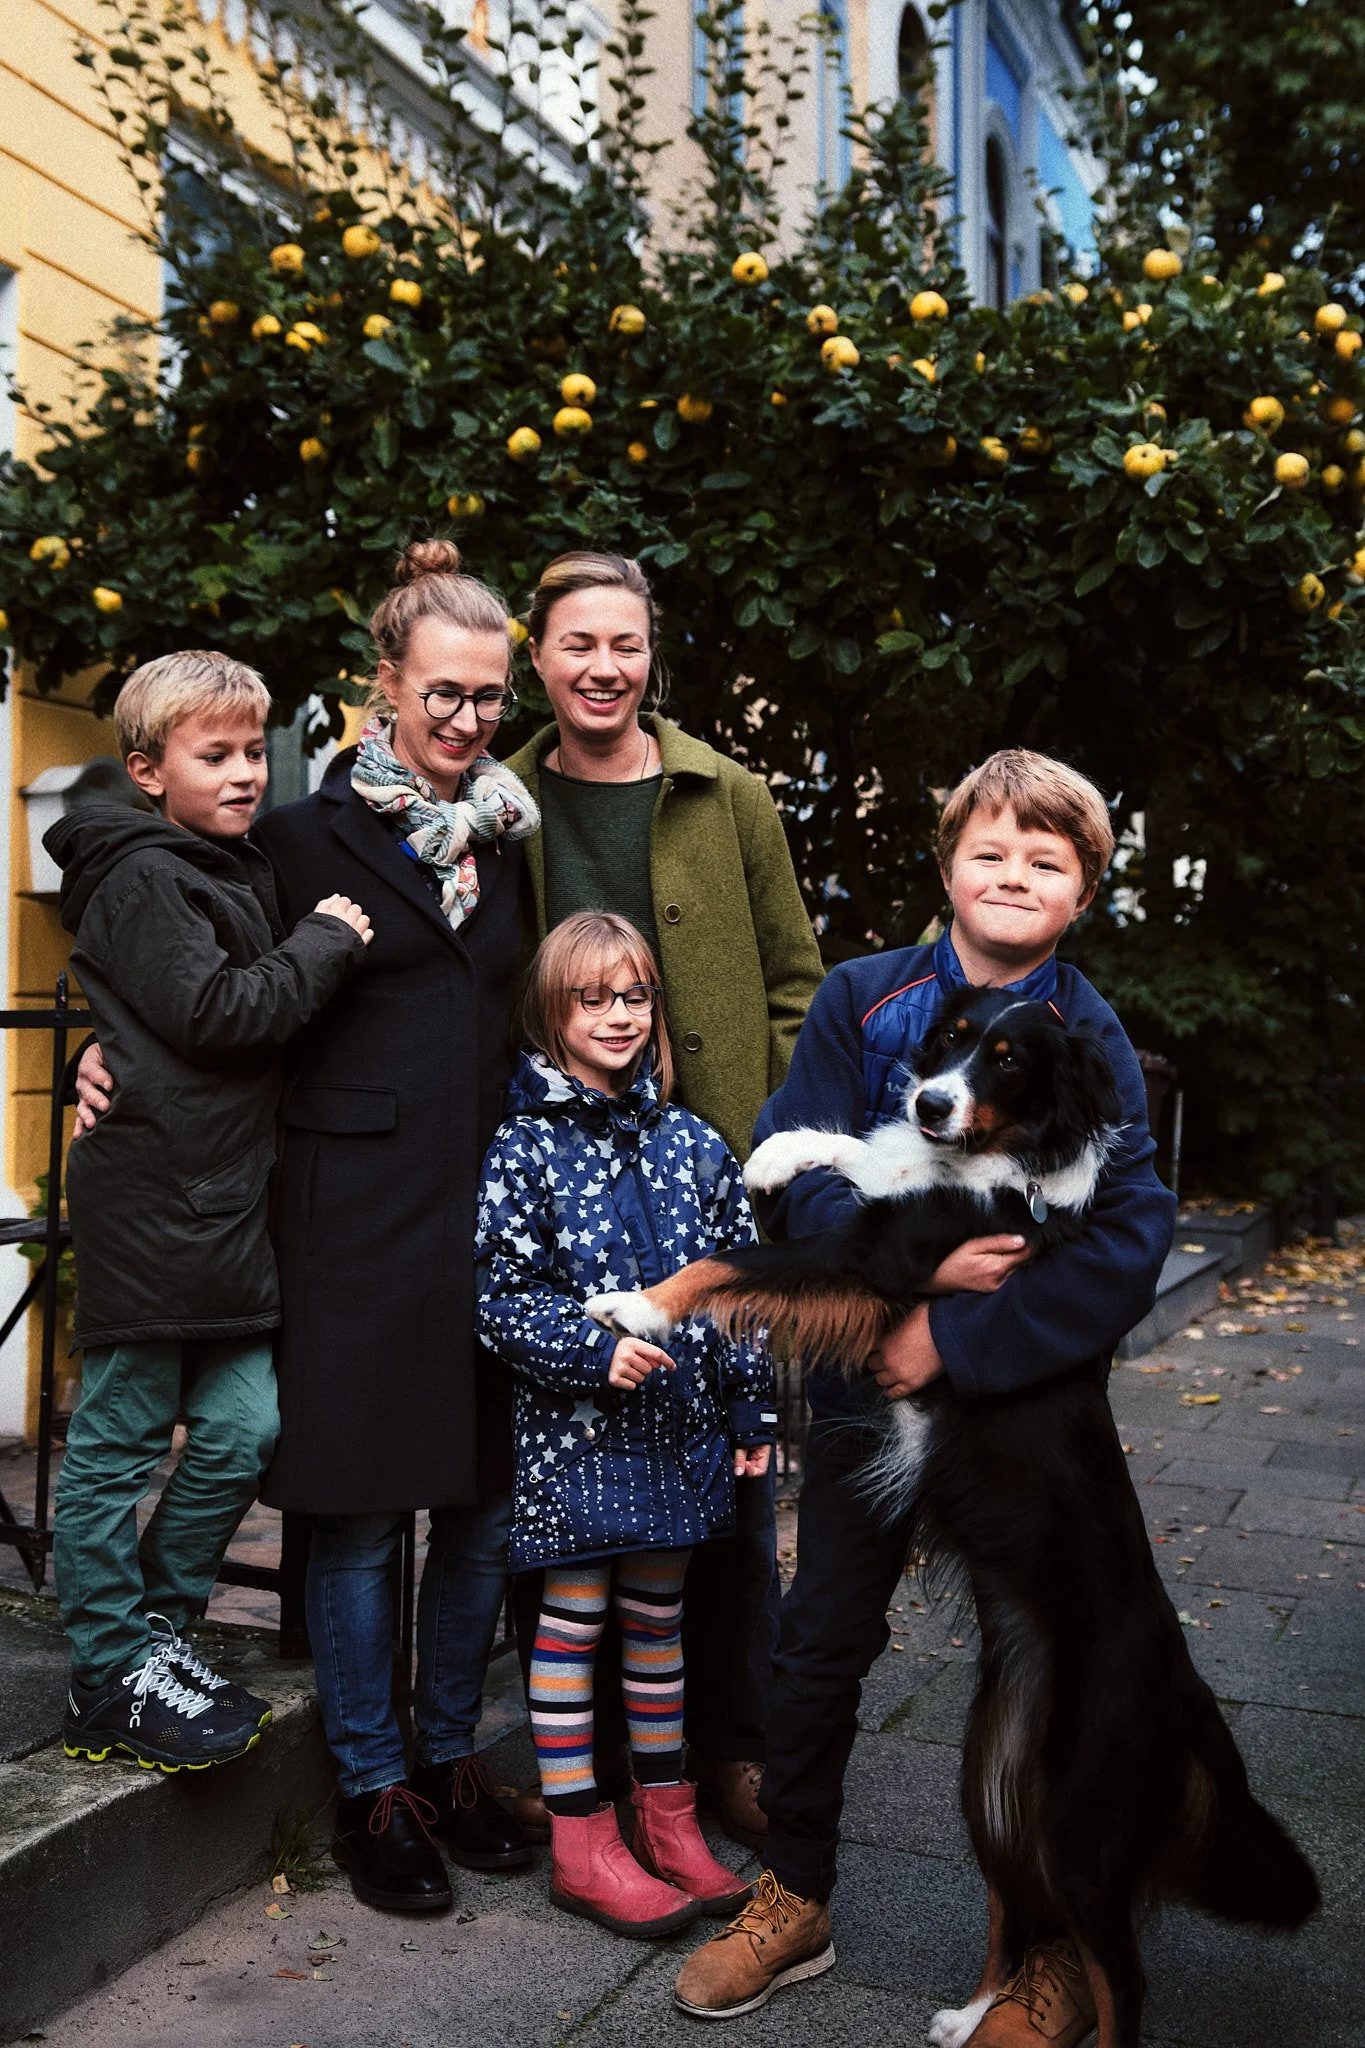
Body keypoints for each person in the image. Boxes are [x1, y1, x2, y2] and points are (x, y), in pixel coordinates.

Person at [673, 749, 1177, 2029]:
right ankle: (796, 1889)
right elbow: (800, 1164)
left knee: (1037, 1664)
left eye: (1045, 861)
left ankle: (1048, 1945)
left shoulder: (1092, 1039)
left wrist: (958, 1340)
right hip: (862, 1395)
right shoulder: (863, 996)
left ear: (1083, 893)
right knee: (819, 1637)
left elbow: (1128, 1234)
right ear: (946, 865)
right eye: (989, 851)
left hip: (1017, 1413)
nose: (1013, 875)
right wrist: (909, 1281)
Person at [72, 542, 538, 1908]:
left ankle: (448, 1758)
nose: (466, 719)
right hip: (347, 1218)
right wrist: (102, 1053)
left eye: (488, 696)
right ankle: (372, 1786)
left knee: (481, 1507)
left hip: (488, 1209)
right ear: (384, 683)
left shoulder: (511, 833)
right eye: (442, 692)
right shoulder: (288, 837)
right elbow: (186, 983)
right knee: (356, 1512)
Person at [504, 551, 824, 1847]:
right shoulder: (503, 801)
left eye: (625, 643)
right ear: (538, 657)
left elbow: (796, 981)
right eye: (577, 643)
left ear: (651, 654)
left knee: (732, 1475)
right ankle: (578, 1760)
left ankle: (733, 1746)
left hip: (706, 1180)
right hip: (565, 1189)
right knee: (565, 1473)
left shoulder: (724, 793)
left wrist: (773, 1151)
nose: (603, 667)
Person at [50, 650, 371, 1773]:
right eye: (214, 755)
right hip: (155, 1203)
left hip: (226, 1208)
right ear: (148, 770)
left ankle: (156, 1633)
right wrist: (327, 938)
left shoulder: (223, 865)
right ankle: (107, 1668)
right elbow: (219, 1011)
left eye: (251, 751)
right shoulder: (147, 875)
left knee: (243, 1428)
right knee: (119, 1442)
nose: (244, 773)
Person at [476, 911, 777, 1937]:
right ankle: (580, 1837)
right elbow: (502, 1295)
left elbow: (739, 1283)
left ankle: (667, 1817)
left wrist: (749, 1403)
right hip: (576, 1435)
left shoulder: (693, 1144)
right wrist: (589, 1350)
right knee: (573, 1625)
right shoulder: (523, 1147)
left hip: (679, 1430)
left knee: (658, 1623)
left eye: (634, 995)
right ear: (549, 1013)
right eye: (592, 998)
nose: (617, 1015)